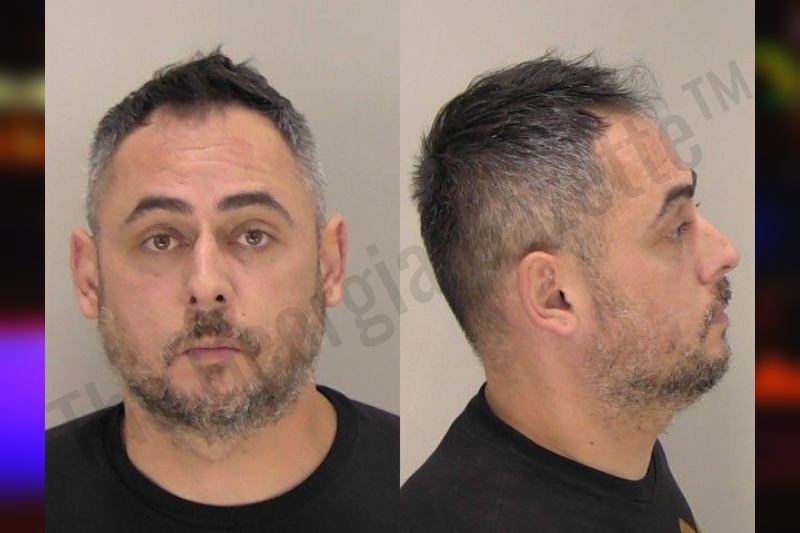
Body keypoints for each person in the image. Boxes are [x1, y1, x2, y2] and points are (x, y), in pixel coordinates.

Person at [46, 50, 398, 532]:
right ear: (89, 277)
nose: (206, 284)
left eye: (253, 235)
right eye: (160, 240)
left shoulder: (421, 496)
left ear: (330, 265)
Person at [401, 52, 741, 533]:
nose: (725, 253)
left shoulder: (613, 446)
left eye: (695, 210)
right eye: (675, 228)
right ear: (554, 296)